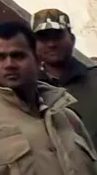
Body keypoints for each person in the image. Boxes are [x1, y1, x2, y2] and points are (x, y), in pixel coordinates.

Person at [0, 20, 97, 175]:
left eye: (18, 56)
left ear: (37, 60)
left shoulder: (66, 117)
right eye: (0, 57)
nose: (9, 64)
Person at [32, 8, 97, 147]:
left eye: (57, 36)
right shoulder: (28, 91)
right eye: (44, 38)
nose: (51, 44)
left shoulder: (94, 80)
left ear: (72, 39)